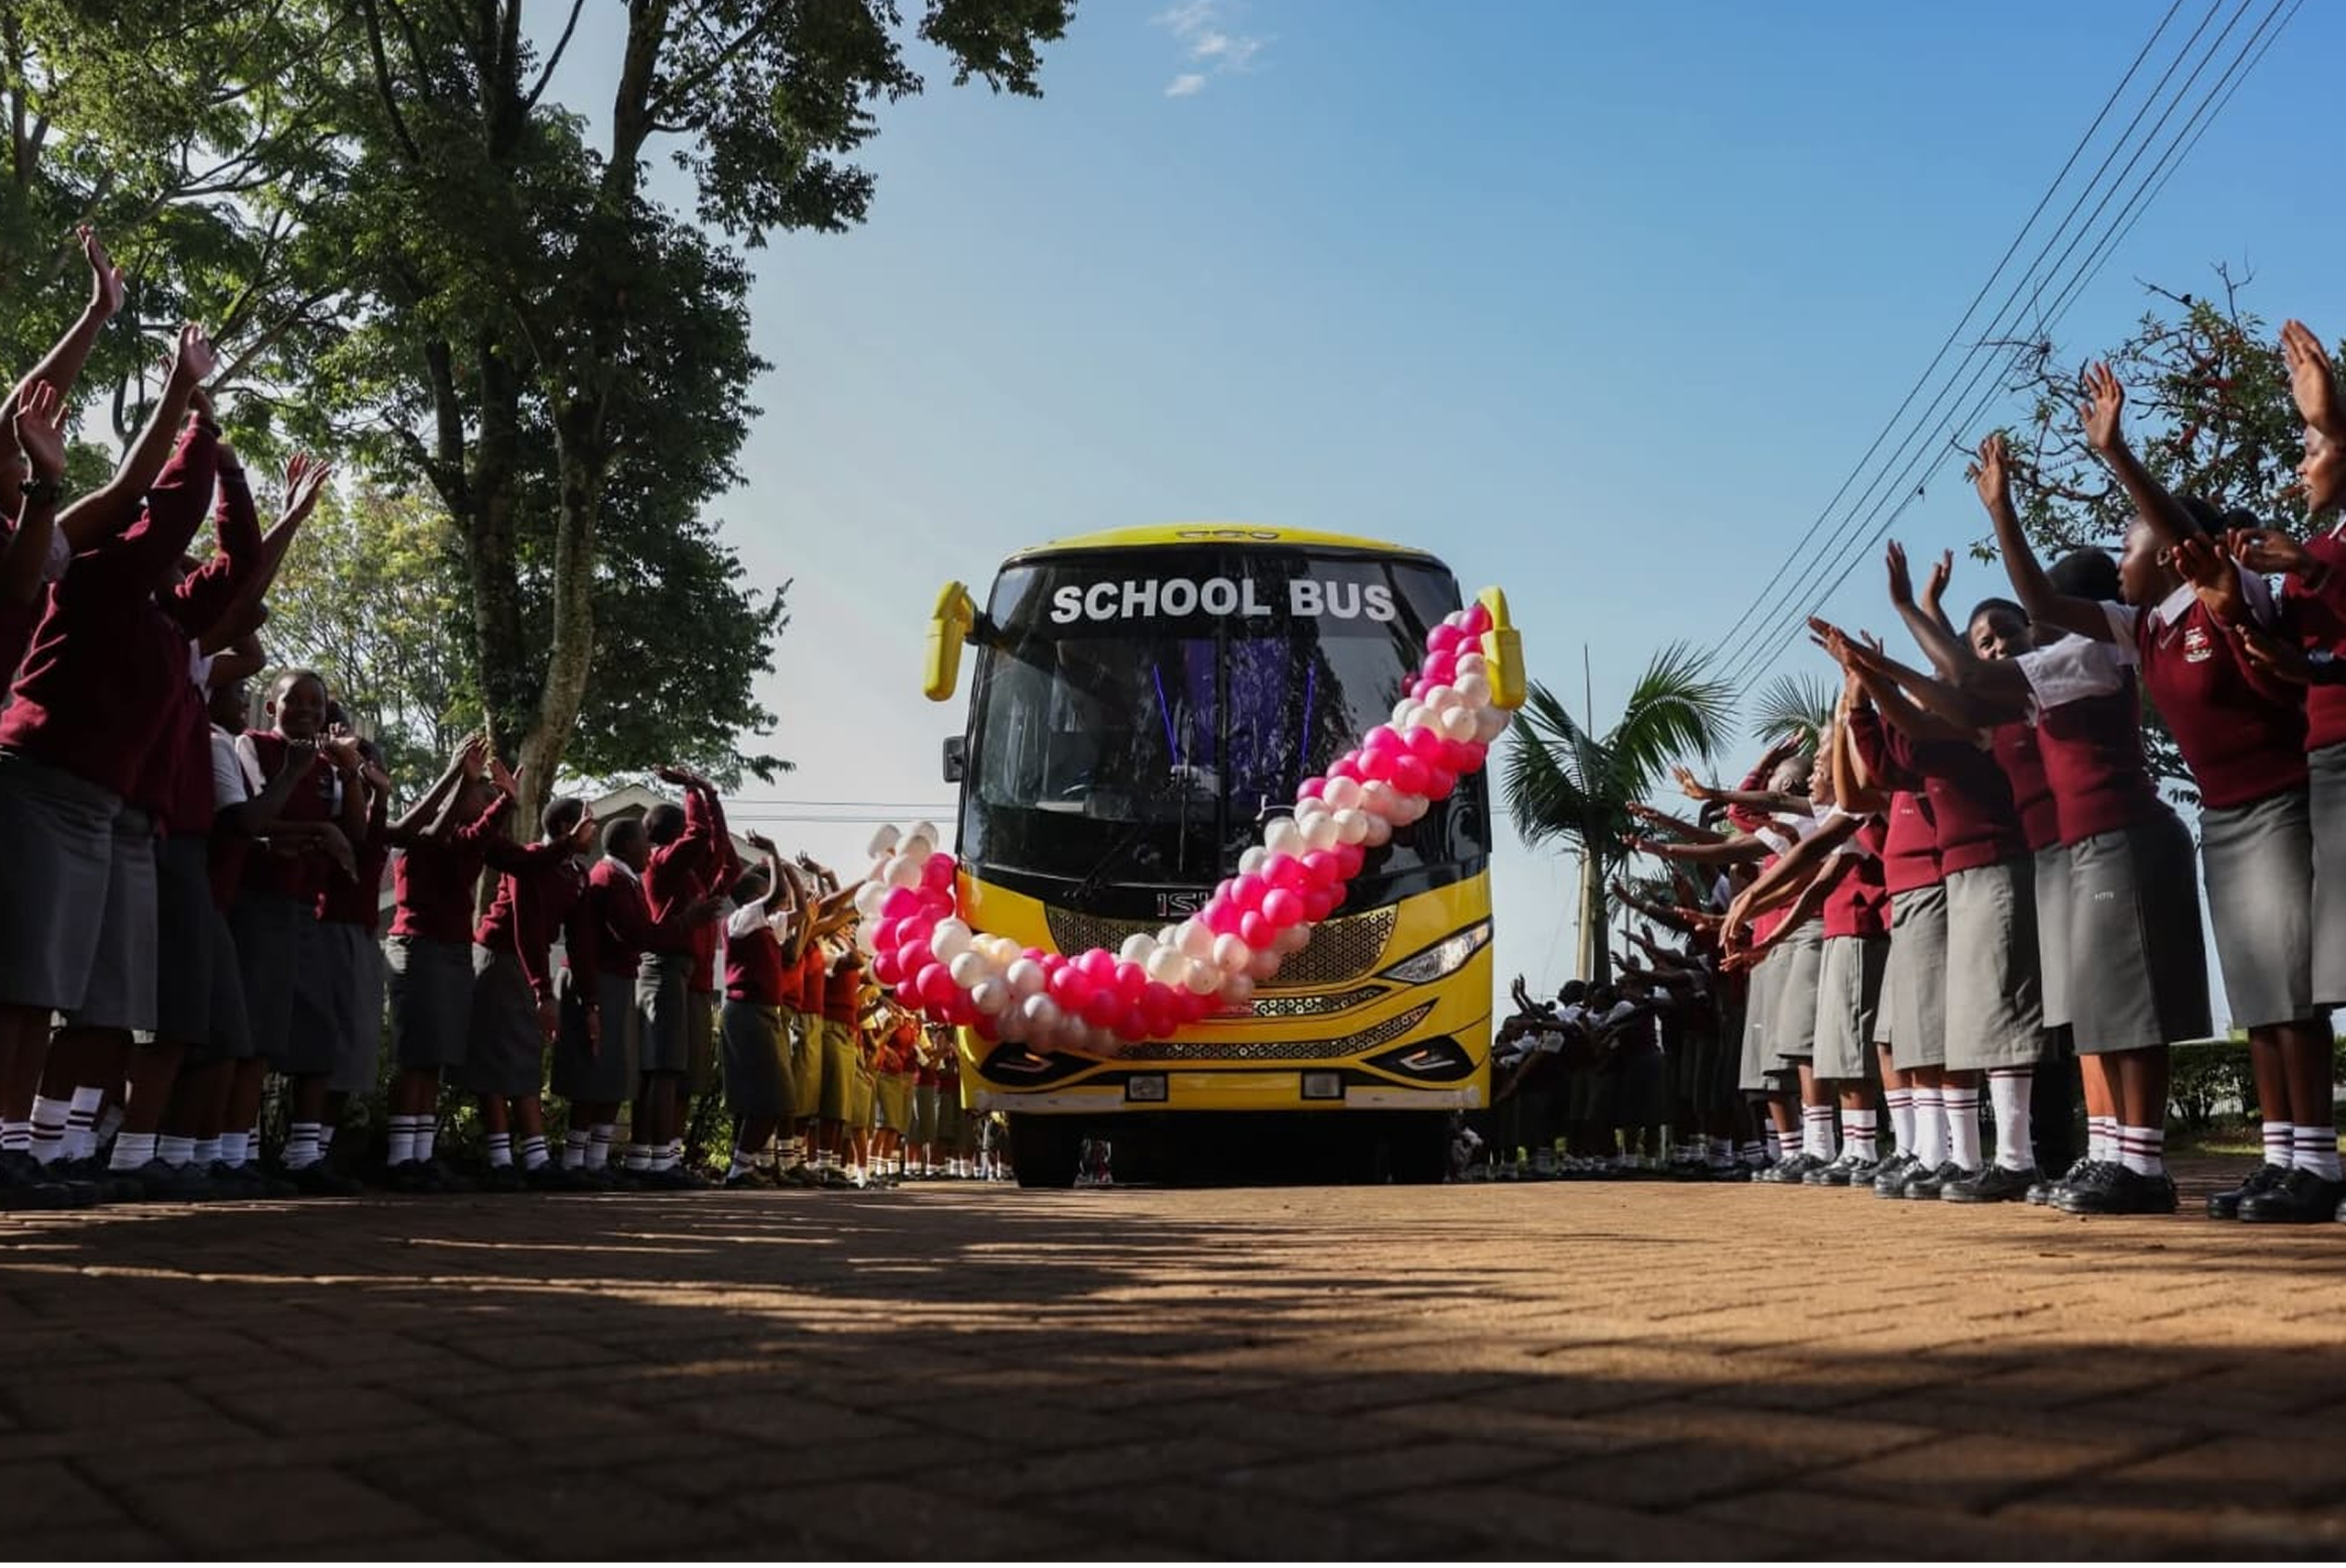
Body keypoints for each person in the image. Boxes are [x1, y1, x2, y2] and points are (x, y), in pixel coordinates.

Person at [1935, 425, 2211, 1215]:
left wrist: (2001, 512)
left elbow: (1967, 670)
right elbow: (1967, 680)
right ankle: (2116, 1153)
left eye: (2054, 610)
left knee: (2132, 1009)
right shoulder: (2073, 660)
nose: (2036, 624)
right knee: (2105, 1009)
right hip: (2091, 845)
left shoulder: (2095, 654)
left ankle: (2143, 1162)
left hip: (2120, 835)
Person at [0, 326, 220, 1210]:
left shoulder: (55, 529)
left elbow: (134, 486)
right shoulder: (61, 553)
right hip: (34, 772)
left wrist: (181, 386)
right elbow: (22, 584)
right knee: (17, 974)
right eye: (12, 452)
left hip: (87, 794)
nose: (22, 452)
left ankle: (23, 1145)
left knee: (41, 982)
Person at [2208, 319, 2346, 1221]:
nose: (2299, 464)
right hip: (2324, 758)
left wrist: (2332, 416)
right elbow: (2312, 669)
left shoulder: (2324, 552)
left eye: (2311, 447)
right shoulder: (2311, 558)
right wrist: (2246, 625)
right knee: (2321, 972)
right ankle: (2308, 1163)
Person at [235, 668, 368, 1193]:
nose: (309, 711)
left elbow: (354, 834)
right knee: (255, 1034)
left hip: (303, 909)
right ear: (273, 708)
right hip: (257, 903)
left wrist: (351, 772)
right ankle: (235, 1151)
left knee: (316, 1033)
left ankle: (303, 1153)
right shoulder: (254, 747)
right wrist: (317, 828)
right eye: (296, 701)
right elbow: (250, 820)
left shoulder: (329, 768)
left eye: (318, 703)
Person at [468, 790, 599, 1190]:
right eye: (588, 823)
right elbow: (525, 929)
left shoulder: (576, 875)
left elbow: (579, 941)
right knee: (496, 1058)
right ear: (565, 828)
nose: (594, 832)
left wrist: (590, 1002)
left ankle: (538, 1156)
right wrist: (543, 992)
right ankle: (500, 1158)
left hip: (530, 966)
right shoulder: (530, 861)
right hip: (502, 959)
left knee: (524, 1056)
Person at [717, 834, 796, 1189]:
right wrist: (774, 853)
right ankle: (739, 1169)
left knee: (776, 1097)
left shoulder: (764, 926)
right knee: (765, 1095)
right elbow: (776, 896)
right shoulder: (744, 918)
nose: (776, 904)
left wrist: (791, 874)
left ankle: (743, 1166)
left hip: (765, 1012)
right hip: (747, 1011)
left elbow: (801, 912)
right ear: (753, 896)